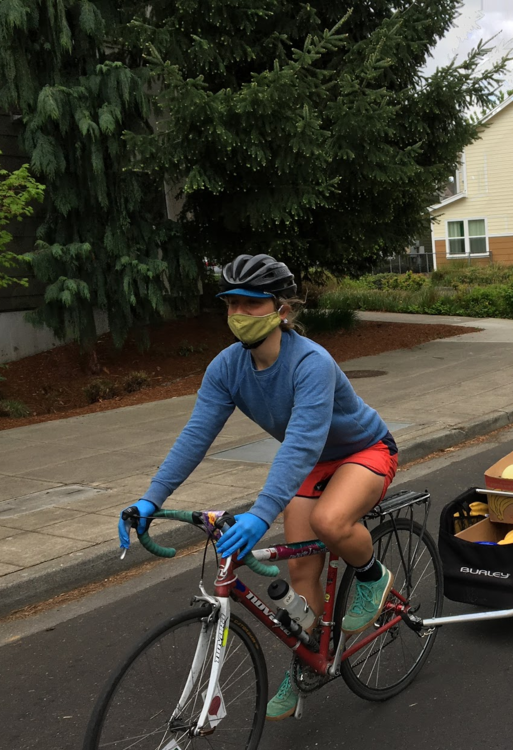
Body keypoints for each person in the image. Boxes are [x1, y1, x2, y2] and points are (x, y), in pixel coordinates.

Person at [117, 253, 398, 721]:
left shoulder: (311, 362)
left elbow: (303, 442)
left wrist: (260, 511)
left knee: (329, 521)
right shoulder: (227, 368)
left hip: (363, 450)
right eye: (231, 304)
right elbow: (195, 437)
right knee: (301, 576)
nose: (239, 315)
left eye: (251, 304)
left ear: (282, 310)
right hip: (312, 461)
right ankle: (306, 661)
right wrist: (152, 497)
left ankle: (372, 576)